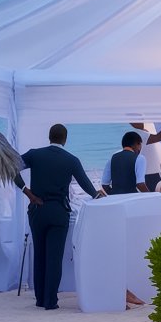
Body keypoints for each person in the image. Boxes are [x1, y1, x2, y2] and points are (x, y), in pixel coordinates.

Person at [12, 123, 106, 310]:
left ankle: (39, 299)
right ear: (65, 139)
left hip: (37, 210)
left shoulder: (34, 154)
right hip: (59, 212)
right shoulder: (71, 160)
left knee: (39, 254)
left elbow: (11, 168)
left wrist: (28, 192)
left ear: (49, 137)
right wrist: (99, 196)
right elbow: (87, 186)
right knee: (54, 257)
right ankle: (50, 301)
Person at [129, 122, 161, 191]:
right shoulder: (137, 134)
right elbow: (159, 137)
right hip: (149, 172)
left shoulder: (139, 132)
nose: (141, 122)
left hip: (151, 169)